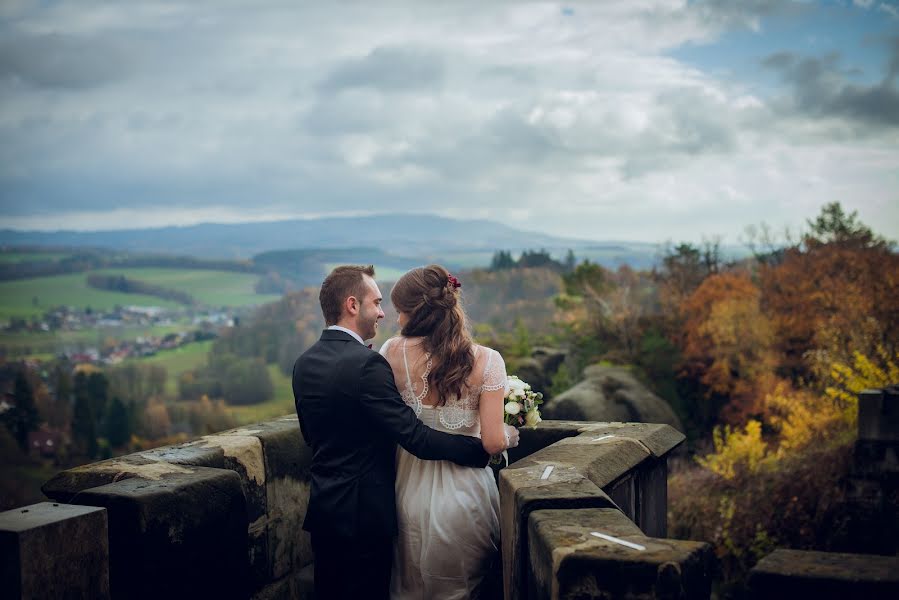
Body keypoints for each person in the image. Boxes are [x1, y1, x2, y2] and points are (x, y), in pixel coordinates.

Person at [292, 265, 517, 600]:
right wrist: (487, 447)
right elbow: (416, 436)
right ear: (353, 305)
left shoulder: (307, 363)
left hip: (345, 505)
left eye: (396, 309)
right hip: (405, 504)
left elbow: (312, 436)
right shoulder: (372, 364)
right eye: (379, 304)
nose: (387, 316)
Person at [380, 264, 515, 599]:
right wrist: (515, 433)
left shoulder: (391, 353)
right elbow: (494, 442)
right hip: (465, 496)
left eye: (401, 312)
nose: (398, 320)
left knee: (409, 587)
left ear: (419, 314)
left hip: (405, 493)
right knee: (463, 589)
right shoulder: (488, 360)